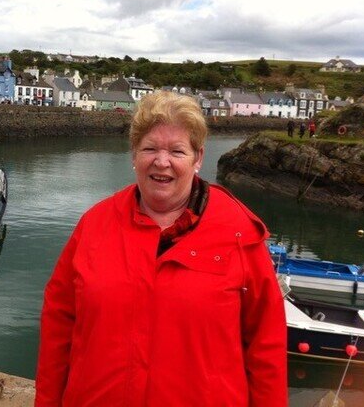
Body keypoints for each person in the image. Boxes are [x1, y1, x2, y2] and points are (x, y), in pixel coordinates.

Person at [35, 91, 287, 407]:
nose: (161, 161)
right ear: (133, 155)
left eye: (177, 151)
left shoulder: (240, 234)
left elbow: (267, 350)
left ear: (198, 159)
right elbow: (58, 325)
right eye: (150, 148)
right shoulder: (94, 225)